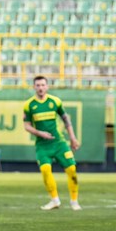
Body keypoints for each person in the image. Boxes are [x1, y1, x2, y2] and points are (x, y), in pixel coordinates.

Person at [23, 75, 82, 211]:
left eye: (43, 85)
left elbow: (66, 120)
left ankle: (74, 201)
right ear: (34, 87)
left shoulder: (55, 102)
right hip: (42, 145)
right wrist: (40, 133)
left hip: (59, 143)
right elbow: (27, 125)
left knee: (72, 170)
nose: (40, 88)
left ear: (47, 86)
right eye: (38, 85)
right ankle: (54, 200)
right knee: (45, 170)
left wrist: (72, 138)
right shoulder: (29, 105)